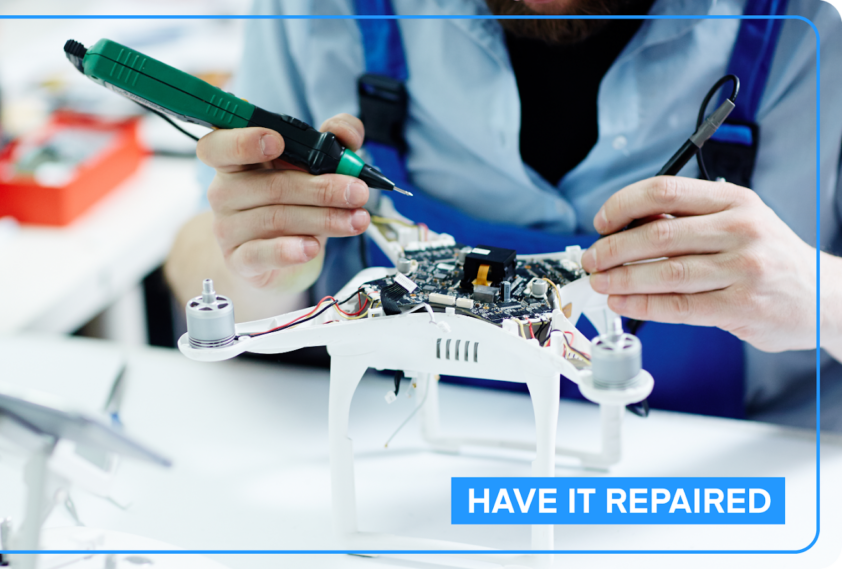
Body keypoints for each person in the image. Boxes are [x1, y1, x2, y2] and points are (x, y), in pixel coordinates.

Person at [164, 0, 842, 429]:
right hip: (408, 474)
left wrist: (821, 296)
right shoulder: (318, 10)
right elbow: (205, 257)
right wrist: (258, 260)